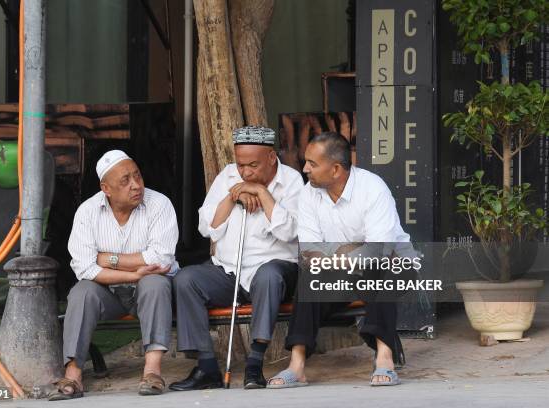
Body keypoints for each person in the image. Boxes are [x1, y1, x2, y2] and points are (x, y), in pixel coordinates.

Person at [268, 132, 410, 388]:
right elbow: (310, 253)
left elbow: (378, 250)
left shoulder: (372, 188)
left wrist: (338, 256)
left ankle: (385, 359)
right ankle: (297, 366)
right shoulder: (309, 194)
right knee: (310, 278)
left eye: (312, 163)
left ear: (335, 169)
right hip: (341, 269)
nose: (305, 168)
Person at [170, 126, 304, 391]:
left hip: (275, 269)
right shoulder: (228, 176)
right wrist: (232, 196)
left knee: (269, 275)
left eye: (253, 165)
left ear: (271, 156)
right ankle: (207, 367)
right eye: (241, 164)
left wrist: (263, 194)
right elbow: (206, 227)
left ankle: (255, 363)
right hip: (228, 270)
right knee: (186, 280)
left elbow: (291, 233)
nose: (245, 172)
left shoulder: (292, 181)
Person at [49, 150, 179, 400]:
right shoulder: (87, 212)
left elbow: (161, 259)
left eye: (137, 176)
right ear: (106, 188)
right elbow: (84, 269)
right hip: (108, 294)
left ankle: (152, 371)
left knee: (154, 282)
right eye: (125, 181)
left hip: (150, 292)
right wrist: (133, 273)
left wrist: (108, 259)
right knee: (82, 291)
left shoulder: (159, 204)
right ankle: (73, 374)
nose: (136, 185)